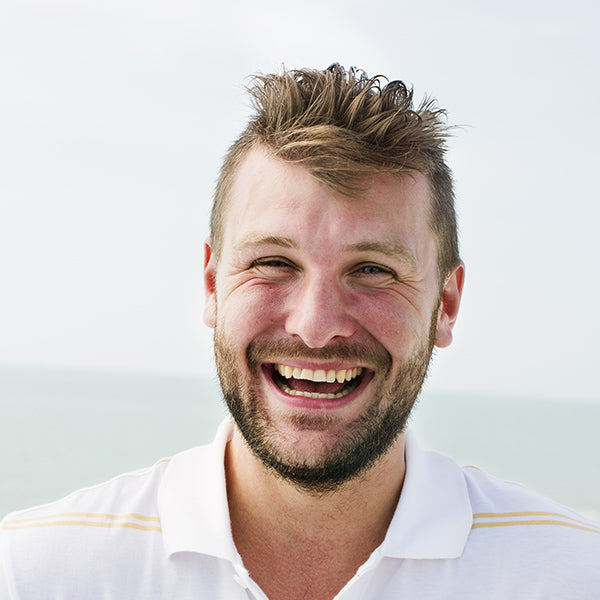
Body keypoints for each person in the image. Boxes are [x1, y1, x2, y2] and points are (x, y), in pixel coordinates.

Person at [1, 64, 598, 600]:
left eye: (372, 270)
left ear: (445, 303)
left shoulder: (575, 576)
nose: (315, 328)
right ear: (212, 285)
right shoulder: (34, 575)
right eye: (273, 263)